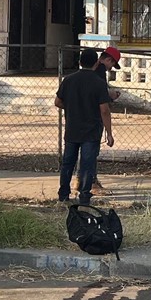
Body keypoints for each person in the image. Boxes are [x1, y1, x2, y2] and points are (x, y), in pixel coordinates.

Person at [55, 47, 114, 206]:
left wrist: (72, 107)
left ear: (80, 62)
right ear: (96, 62)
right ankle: (84, 197)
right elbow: (104, 110)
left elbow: (57, 102)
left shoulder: (69, 80)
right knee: (87, 164)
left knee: (68, 162)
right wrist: (109, 133)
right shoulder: (98, 83)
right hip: (91, 130)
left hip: (72, 128)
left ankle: (63, 196)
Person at [87, 45, 122, 196]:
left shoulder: (91, 67)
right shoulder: (100, 70)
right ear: (108, 59)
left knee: (83, 151)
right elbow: (99, 95)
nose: (111, 68)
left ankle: (80, 180)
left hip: (82, 114)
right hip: (94, 115)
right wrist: (110, 97)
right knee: (92, 151)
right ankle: (92, 183)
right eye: (112, 64)